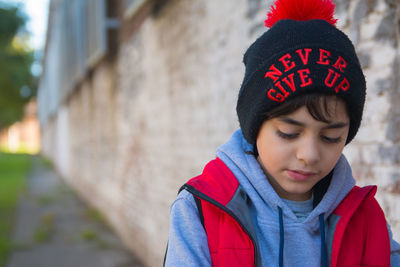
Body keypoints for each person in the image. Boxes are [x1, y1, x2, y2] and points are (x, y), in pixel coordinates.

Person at [164, 0, 400, 266]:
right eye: (288, 133)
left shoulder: (365, 217)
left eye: (330, 137)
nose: (309, 155)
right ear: (255, 126)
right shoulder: (202, 211)